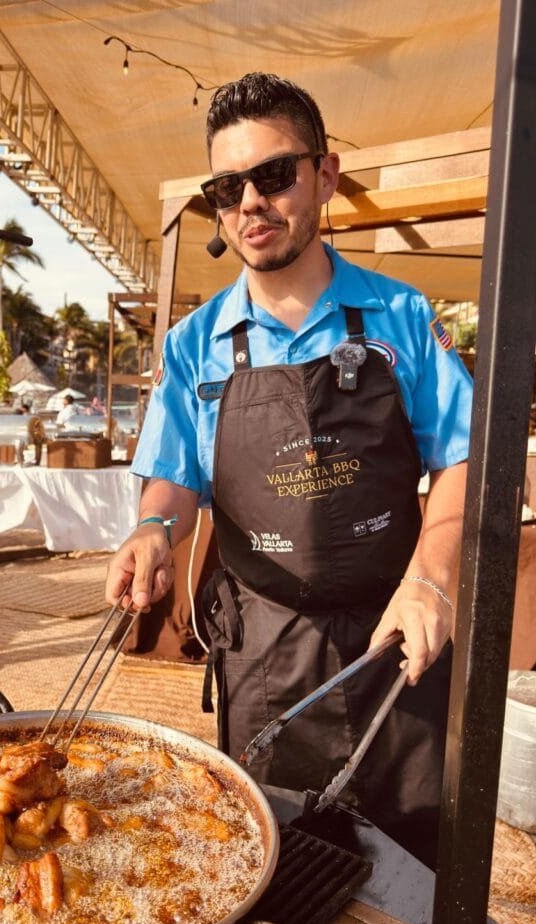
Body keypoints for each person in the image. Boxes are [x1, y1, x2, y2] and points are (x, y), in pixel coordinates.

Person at [105, 73, 473, 868]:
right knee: (276, 862)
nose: (250, 204)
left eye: (274, 175)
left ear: (325, 175)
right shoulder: (194, 343)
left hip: (396, 634)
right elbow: (174, 477)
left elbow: (465, 458)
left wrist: (433, 579)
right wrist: (152, 529)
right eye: (227, 188)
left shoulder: (402, 317)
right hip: (265, 648)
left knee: (412, 867)